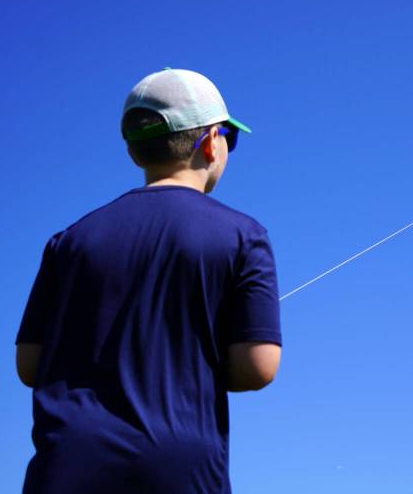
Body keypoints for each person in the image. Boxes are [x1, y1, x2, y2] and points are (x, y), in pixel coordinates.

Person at [15, 68, 282, 493]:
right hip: (178, 469)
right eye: (230, 138)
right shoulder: (243, 235)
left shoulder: (69, 240)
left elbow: (29, 364)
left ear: (134, 150)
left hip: (65, 464)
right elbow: (258, 367)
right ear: (212, 143)